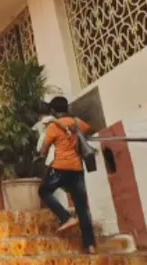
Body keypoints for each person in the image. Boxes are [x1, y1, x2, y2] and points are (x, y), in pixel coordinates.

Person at [39, 96, 96, 254]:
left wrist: (42, 155)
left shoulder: (53, 127)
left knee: (44, 191)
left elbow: (44, 149)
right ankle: (90, 246)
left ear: (53, 110)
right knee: (82, 207)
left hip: (60, 168)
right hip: (77, 169)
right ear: (67, 108)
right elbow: (88, 130)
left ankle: (65, 217)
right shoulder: (77, 122)